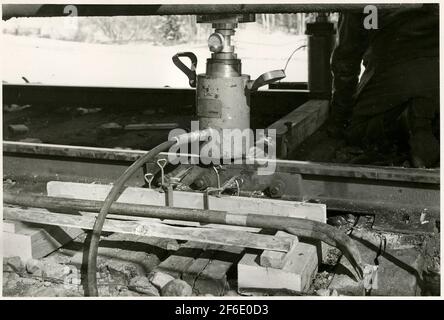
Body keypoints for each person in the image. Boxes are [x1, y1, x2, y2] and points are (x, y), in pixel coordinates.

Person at [329, 4, 439, 167]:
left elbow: (346, 60)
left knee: (356, 131)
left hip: (393, 79)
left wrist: (339, 120)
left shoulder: (364, 6)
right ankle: (423, 122)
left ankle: (408, 120)